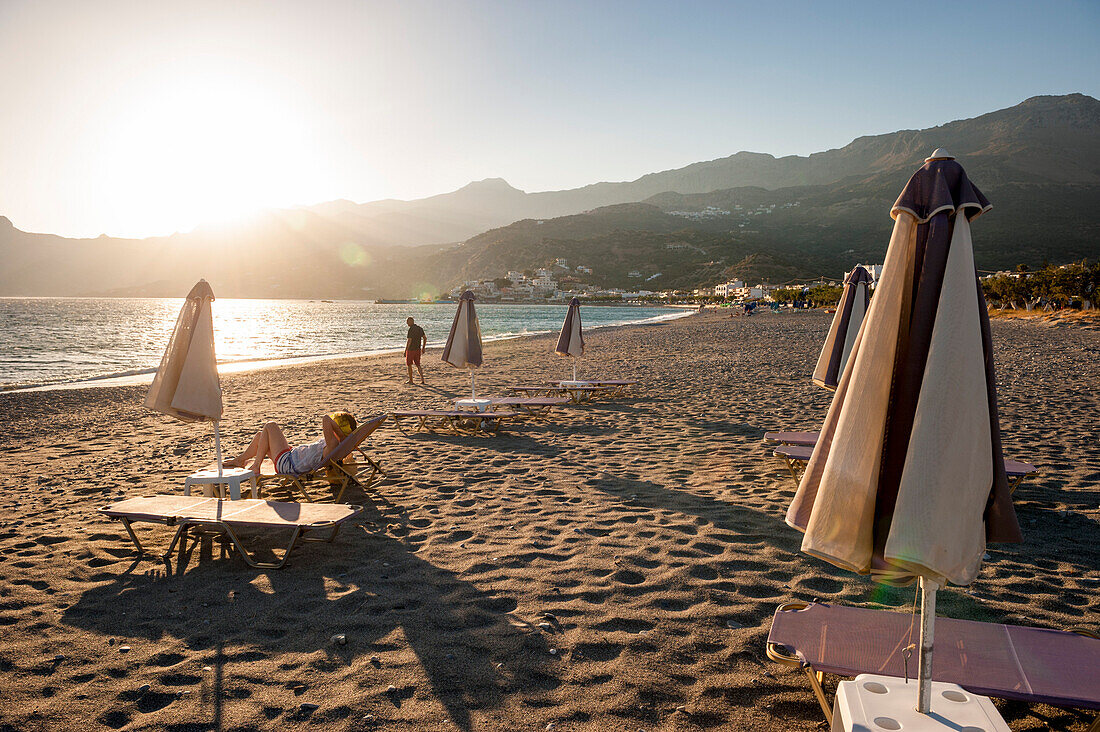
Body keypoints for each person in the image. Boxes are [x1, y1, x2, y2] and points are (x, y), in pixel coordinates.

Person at [224, 412, 356, 475]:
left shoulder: (333, 443)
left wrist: (340, 434)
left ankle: (256, 465)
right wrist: (343, 436)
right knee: (261, 436)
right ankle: (239, 460)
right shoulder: (338, 445)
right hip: (291, 457)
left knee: (270, 425)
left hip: (288, 463)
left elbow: (326, 418)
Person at [404, 316, 427, 384]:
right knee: (418, 364)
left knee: (409, 364)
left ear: (411, 322)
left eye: (407, 321)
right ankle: (422, 379)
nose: (407, 323)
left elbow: (409, 340)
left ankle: (411, 380)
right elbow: (425, 338)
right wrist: (423, 347)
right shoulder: (420, 328)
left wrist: (406, 350)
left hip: (411, 349)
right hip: (418, 349)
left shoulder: (411, 329)